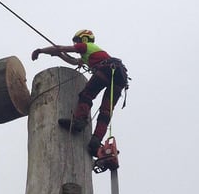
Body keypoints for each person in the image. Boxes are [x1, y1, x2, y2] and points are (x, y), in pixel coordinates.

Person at [31, 29, 128, 157]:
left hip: (106, 70)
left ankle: (79, 121)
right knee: (106, 111)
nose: (76, 44)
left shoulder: (86, 46)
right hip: (120, 78)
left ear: (83, 39)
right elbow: (73, 61)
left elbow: (59, 48)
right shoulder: (91, 54)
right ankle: (95, 141)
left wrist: (41, 51)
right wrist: (60, 55)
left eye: (76, 42)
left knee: (86, 95)